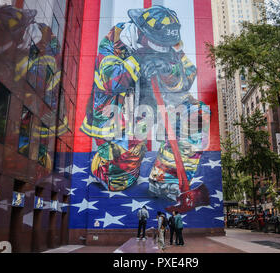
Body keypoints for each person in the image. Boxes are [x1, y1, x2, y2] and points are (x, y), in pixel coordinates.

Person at [79, 5, 210, 208]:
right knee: (118, 179)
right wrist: (138, 60)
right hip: (118, 113)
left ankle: (167, 179)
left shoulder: (169, 39)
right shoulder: (116, 39)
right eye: (156, 47)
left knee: (197, 115)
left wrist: (167, 68)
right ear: (141, 34)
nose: (164, 50)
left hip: (155, 106)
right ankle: (106, 163)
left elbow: (188, 74)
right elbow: (110, 81)